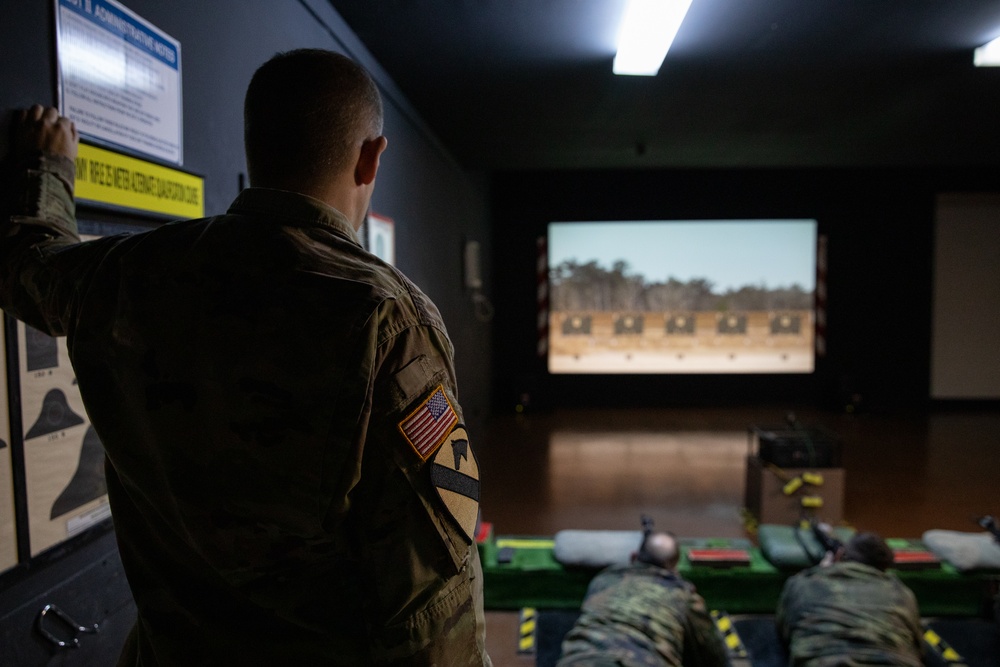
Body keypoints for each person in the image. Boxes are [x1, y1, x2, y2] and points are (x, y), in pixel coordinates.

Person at [0, 49, 490, 666]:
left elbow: (25, 270)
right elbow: (430, 601)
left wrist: (46, 164)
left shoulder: (125, 274)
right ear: (371, 157)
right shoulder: (383, 318)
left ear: (256, 147)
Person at [556, 530, 729, 667]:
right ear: (674, 568)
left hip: (580, 660)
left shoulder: (604, 579)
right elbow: (713, 657)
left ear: (633, 557)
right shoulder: (683, 597)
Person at [775, 531, 924, 666]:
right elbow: (919, 648)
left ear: (839, 555)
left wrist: (819, 572)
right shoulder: (901, 592)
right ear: (885, 568)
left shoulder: (804, 583)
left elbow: (784, 632)